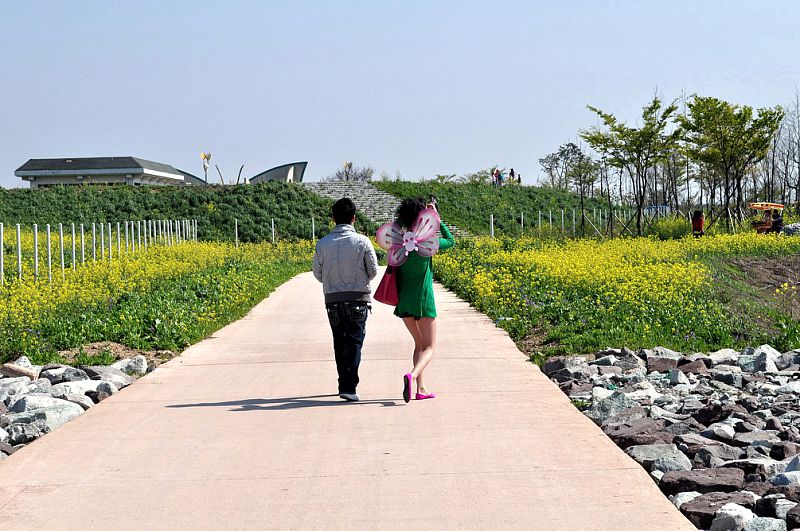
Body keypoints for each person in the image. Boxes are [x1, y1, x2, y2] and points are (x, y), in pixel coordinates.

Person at [313, 198, 378, 402]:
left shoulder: (322, 243)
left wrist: (332, 281)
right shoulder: (363, 241)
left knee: (339, 341)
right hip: (357, 298)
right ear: (354, 218)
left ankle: (344, 384)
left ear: (333, 218)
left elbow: (318, 273)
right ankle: (349, 387)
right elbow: (373, 271)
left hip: (332, 300)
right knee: (354, 342)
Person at [392, 197, 455, 403]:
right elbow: (451, 241)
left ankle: (420, 388)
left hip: (404, 302)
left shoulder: (399, 242)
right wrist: (437, 218)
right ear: (423, 217)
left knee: (418, 344)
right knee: (429, 348)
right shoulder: (426, 243)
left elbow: (394, 228)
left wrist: (405, 220)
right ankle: (412, 375)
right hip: (423, 300)